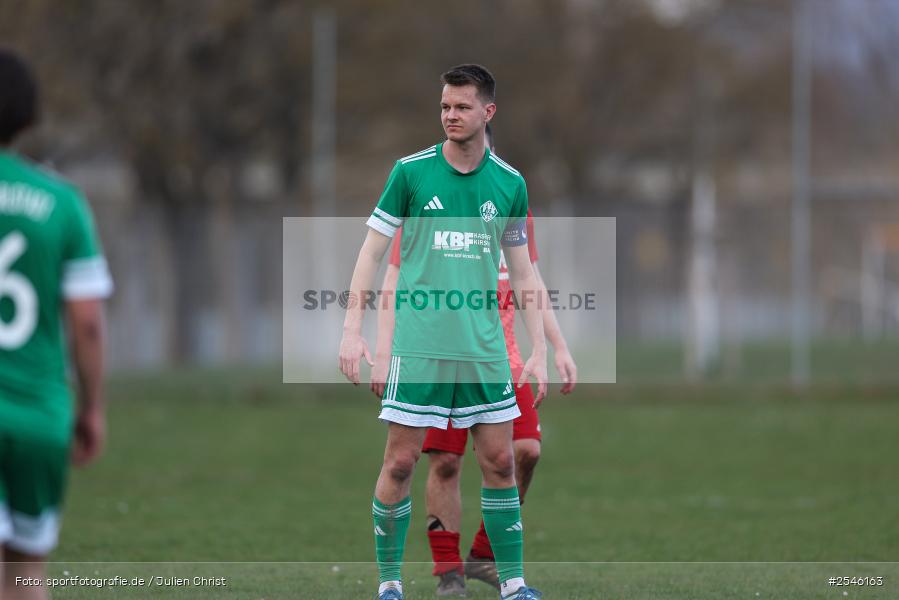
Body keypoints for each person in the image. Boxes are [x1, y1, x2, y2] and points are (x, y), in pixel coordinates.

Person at [339, 64, 546, 600]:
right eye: (445, 107)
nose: (450, 116)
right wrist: (351, 330)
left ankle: (513, 583)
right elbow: (372, 253)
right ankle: (389, 582)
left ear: (488, 112)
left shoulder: (510, 183)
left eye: (461, 107)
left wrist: (540, 349)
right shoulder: (410, 174)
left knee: (500, 462)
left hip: (484, 352)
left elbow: (523, 272)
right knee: (402, 461)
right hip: (420, 348)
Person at [374, 125, 577, 597]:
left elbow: (531, 281)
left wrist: (554, 347)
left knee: (521, 454)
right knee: (442, 462)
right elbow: (392, 279)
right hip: (441, 356)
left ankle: (487, 556)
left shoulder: (507, 199)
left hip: (500, 359)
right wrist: (383, 349)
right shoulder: (422, 199)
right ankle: (448, 573)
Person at [0, 49, 113, 600]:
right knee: (25, 577)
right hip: (38, 415)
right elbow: (87, 323)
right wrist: (91, 406)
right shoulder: (61, 202)